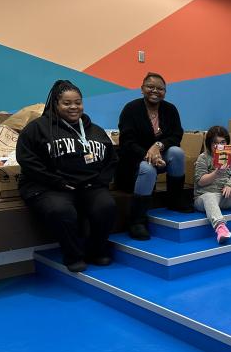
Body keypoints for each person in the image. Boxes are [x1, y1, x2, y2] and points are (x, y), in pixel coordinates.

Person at [16, 80, 117, 272]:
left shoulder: (95, 130)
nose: (74, 107)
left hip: (89, 186)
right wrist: (57, 182)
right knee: (61, 211)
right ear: (56, 104)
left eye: (78, 102)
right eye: (67, 103)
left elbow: (112, 160)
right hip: (48, 186)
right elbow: (27, 160)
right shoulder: (37, 128)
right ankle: (73, 255)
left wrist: (99, 182)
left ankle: (96, 251)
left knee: (106, 206)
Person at [116, 72, 191, 241]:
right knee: (148, 169)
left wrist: (158, 146)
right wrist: (148, 155)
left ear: (165, 92)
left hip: (161, 155)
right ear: (142, 89)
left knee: (177, 152)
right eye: (150, 87)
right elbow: (127, 142)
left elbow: (176, 135)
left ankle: (175, 200)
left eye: (160, 88)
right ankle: (137, 221)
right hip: (133, 161)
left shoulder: (170, 109)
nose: (155, 91)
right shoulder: (131, 109)